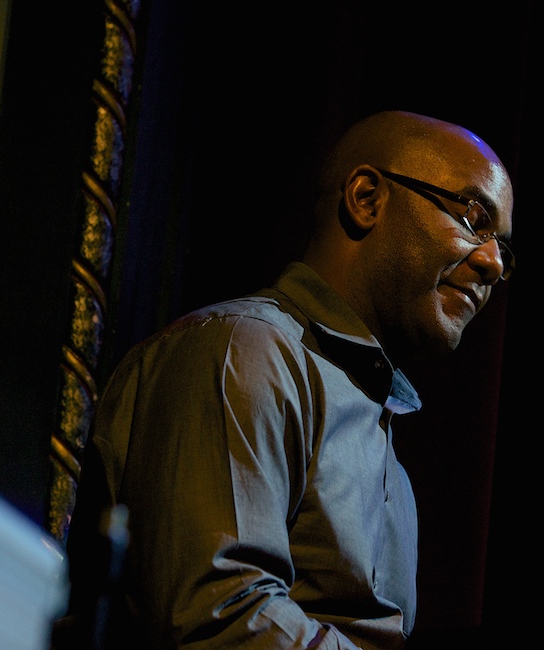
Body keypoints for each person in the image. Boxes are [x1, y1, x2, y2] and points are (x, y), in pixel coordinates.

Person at [63, 110, 515, 649]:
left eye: (503, 246)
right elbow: (221, 615)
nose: (493, 263)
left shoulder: (381, 438)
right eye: (471, 217)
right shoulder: (243, 349)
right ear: (367, 199)